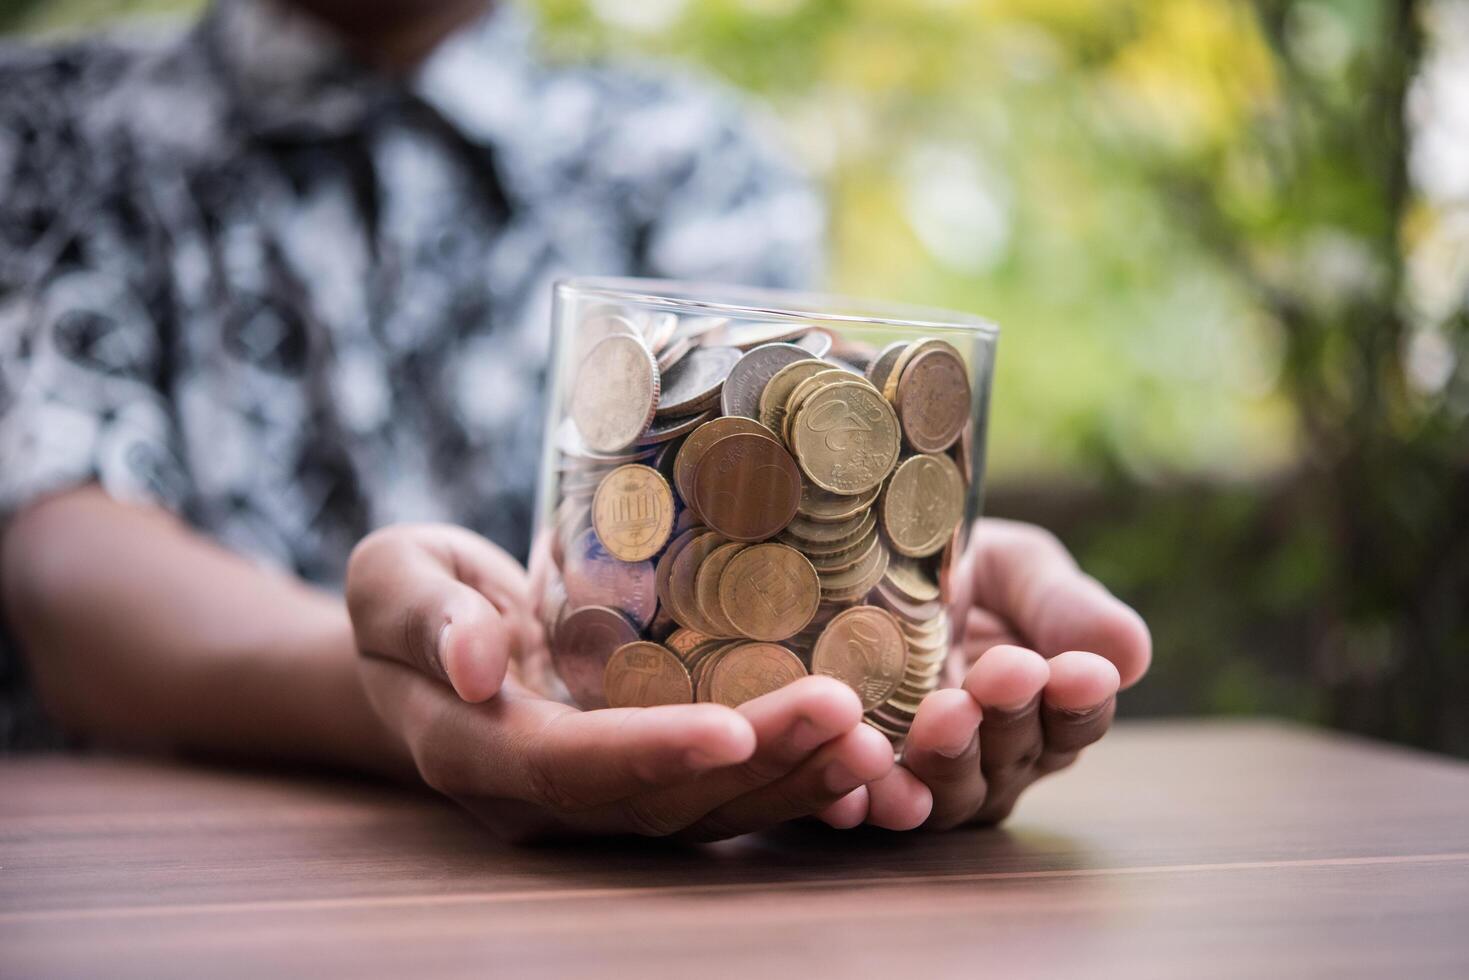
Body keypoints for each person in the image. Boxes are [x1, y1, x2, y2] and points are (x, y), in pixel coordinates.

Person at [0, 0, 1150, 840]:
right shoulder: (37, 128)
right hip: (153, 857)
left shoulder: (692, 157)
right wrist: (406, 691)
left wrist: (884, 617)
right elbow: (68, 574)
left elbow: (777, 511)